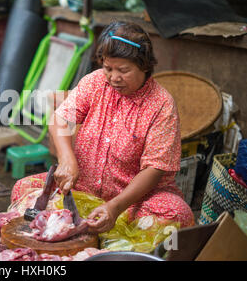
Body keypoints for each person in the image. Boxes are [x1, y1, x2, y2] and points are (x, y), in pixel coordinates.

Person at [11, 21, 195, 233]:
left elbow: (154, 169)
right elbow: (60, 119)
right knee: (23, 189)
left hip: (133, 201)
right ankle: (89, 233)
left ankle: (99, 232)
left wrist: (115, 207)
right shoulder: (95, 82)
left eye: (123, 70)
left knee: (178, 215)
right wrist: (67, 159)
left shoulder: (161, 104)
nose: (114, 78)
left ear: (144, 66)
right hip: (82, 188)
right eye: (108, 68)